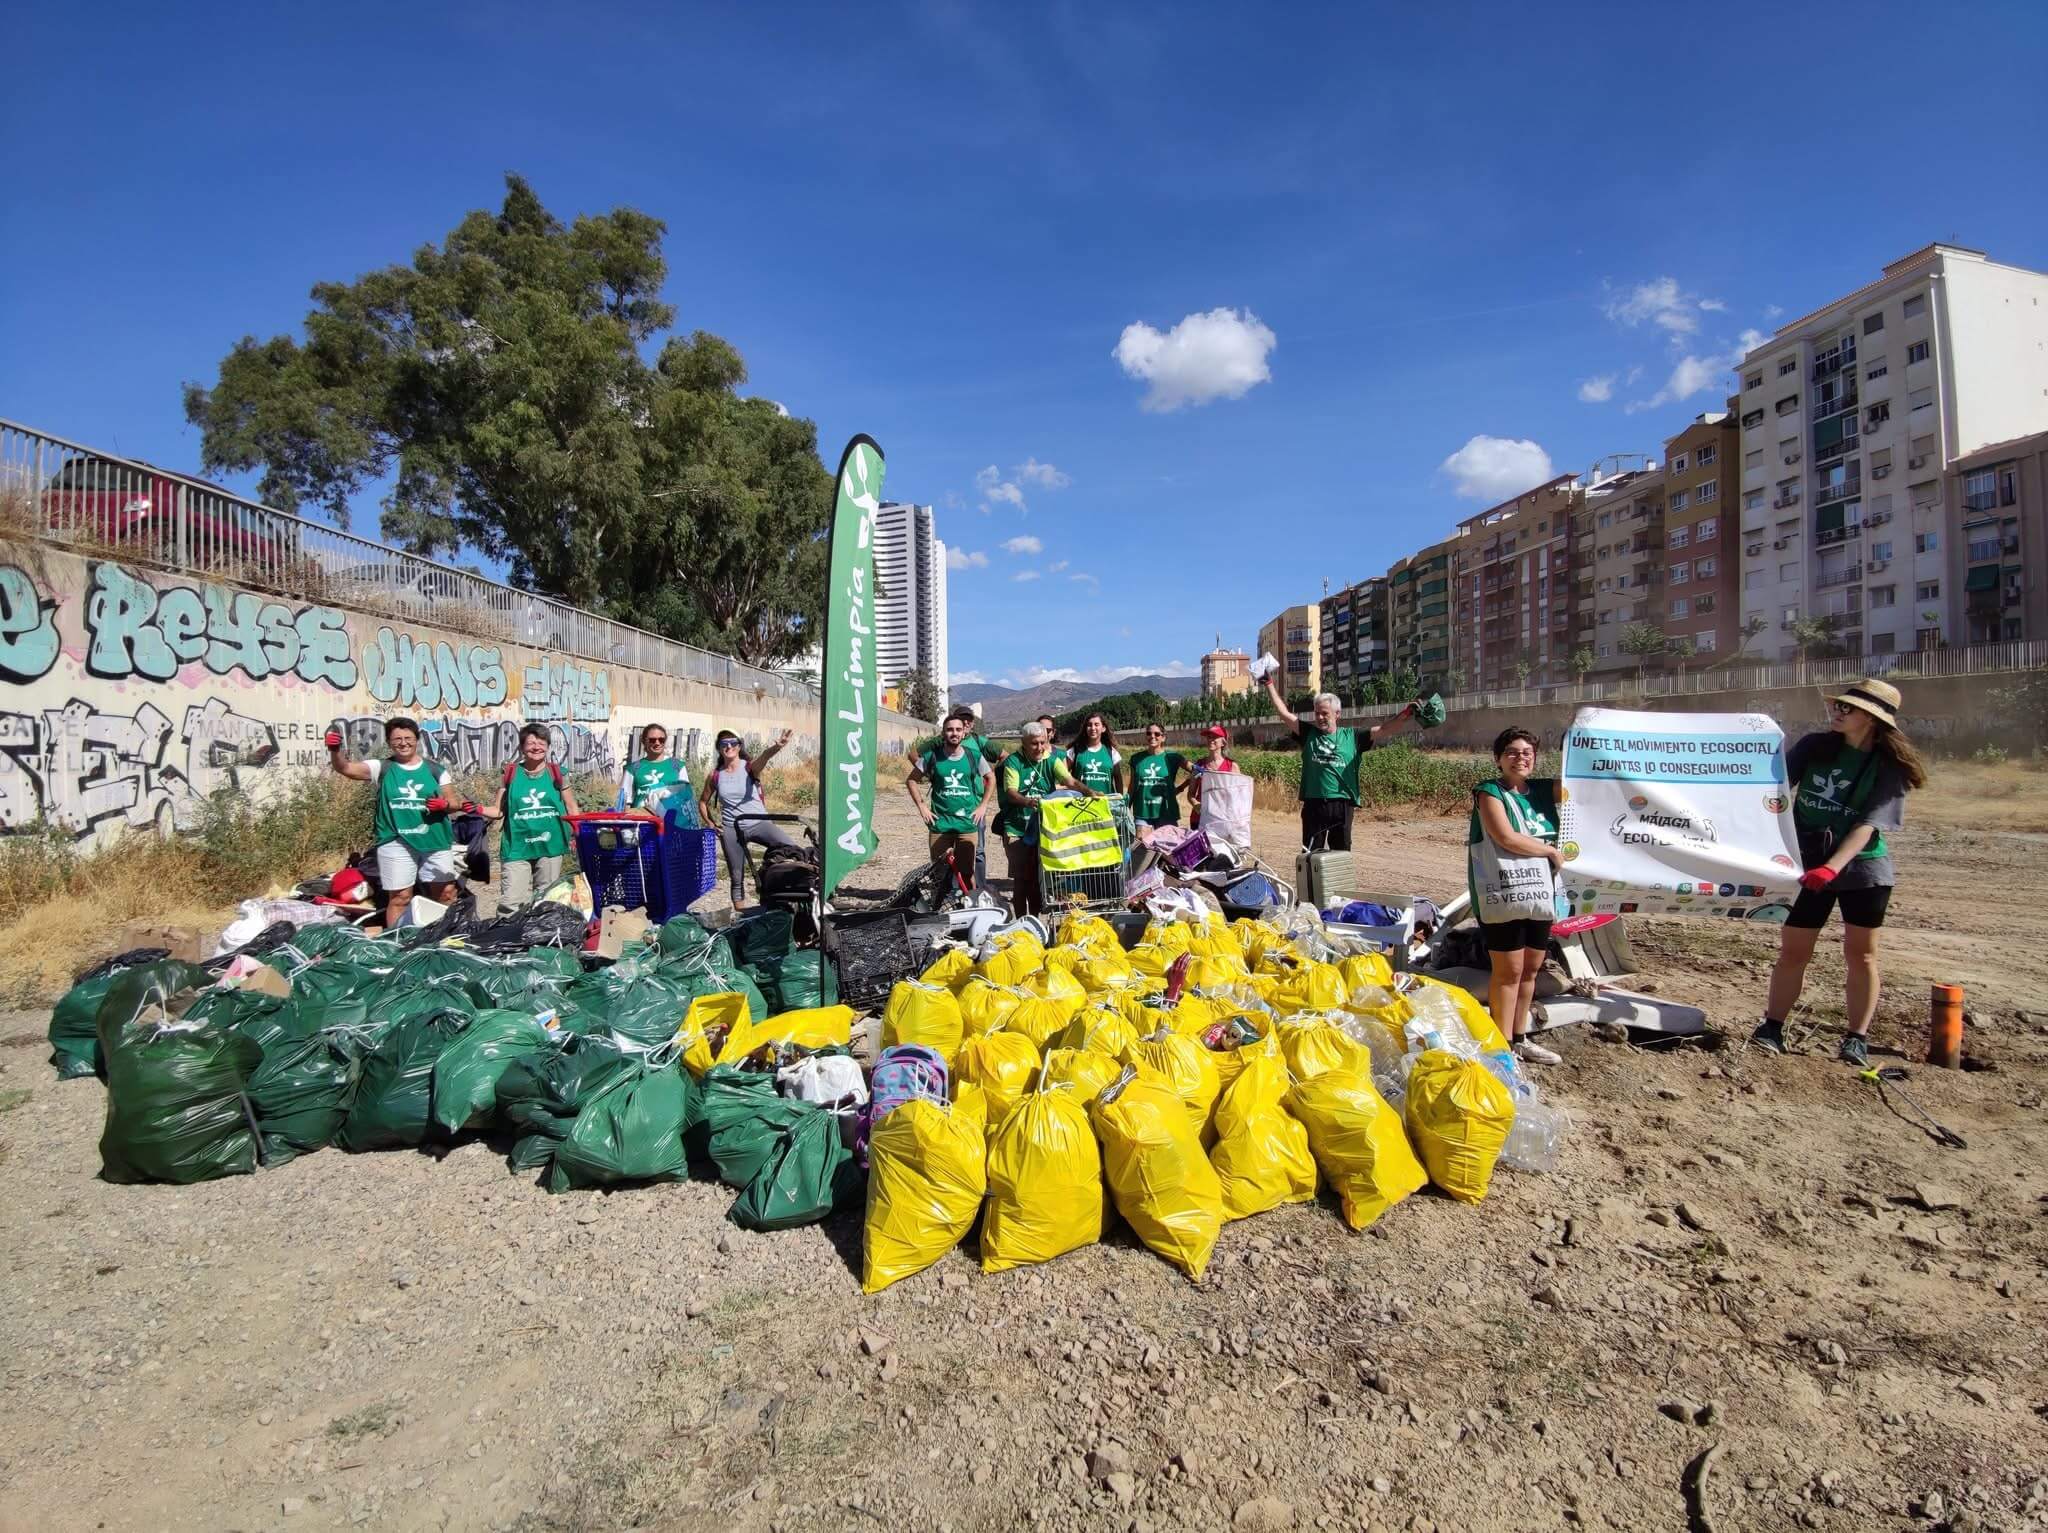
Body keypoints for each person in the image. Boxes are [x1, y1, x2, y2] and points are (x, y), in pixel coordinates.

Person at [1751, 679, 1926, 1067]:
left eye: (1848, 708)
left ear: (1871, 718)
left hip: (1863, 869)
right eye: (1838, 705)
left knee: (1861, 955)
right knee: (1793, 952)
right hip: (1807, 865)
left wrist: (1832, 867)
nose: (1837, 711)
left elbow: (1868, 825)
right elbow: (1771, 789)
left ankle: (1856, 1039)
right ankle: (1771, 1028)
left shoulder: (1889, 766)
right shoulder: (1815, 746)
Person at [1468, 727, 1564, 1067]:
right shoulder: (1488, 792)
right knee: (1508, 971)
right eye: (1511, 752)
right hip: (1503, 892)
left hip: (1540, 892)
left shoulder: (1543, 790)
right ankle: (1502, 1047)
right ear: (1498, 758)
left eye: (1527, 752)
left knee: (1530, 970)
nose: (1520, 758)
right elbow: (1505, 837)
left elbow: (1585, 784)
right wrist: (1549, 850)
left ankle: (1520, 1039)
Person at [326, 717, 465, 930]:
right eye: (397, 739)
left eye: (408, 738)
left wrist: (444, 804)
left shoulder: (436, 770)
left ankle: (445, 936)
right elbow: (344, 768)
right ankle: (397, 941)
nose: (403, 743)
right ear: (389, 742)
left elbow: (455, 803)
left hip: (434, 840)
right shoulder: (382, 767)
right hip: (395, 841)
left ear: (417, 739)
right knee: (400, 897)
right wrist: (335, 750)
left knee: (446, 893)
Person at [1262, 672, 1418, 850]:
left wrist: (1406, 713)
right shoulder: (1308, 733)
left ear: (1337, 714)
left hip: (1342, 804)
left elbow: (1384, 729)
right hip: (1314, 803)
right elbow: (1284, 714)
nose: (1320, 717)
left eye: (1324, 713)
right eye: (1317, 713)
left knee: (1341, 855)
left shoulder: (1353, 736)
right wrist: (1269, 684)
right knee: (1311, 855)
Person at [698, 728, 802, 909]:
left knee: (793, 850)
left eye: (733, 742)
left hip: (759, 822)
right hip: (732, 828)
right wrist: (711, 824)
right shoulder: (715, 775)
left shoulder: (749, 767)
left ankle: (788, 893)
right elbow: (702, 802)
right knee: (736, 875)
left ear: (739, 746)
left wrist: (777, 747)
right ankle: (742, 914)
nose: (728, 746)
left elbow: (764, 757)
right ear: (719, 748)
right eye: (724, 743)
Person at [486, 723, 582, 907]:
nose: (536, 747)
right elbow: (498, 810)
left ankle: (540, 927)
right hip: (517, 846)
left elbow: (571, 807)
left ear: (547, 746)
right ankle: (509, 927)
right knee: (511, 902)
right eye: (530, 743)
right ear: (522, 747)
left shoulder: (557, 773)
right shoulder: (510, 773)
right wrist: (473, 809)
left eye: (541, 743)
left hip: (550, 845)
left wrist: (578, 835)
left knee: (546, 899)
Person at [906, 711, 997, 900]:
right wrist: (922, 806)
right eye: (949, 730)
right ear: (943, 733)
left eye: (957, 730)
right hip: (940, 824)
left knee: (967, 873)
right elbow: (912, 780)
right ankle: (939, 909)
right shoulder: (932, 756)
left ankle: (970, 906)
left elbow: (991, 777)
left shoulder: (973, 756)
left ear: (964, 732)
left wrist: (983, 806)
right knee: (939, 874)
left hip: (967, 824)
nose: (954, 733)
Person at [996, 721, 1074, 917]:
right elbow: (1011, 792)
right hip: (1018, 829)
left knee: (1037, 880)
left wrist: (1088, 792)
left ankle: (1035, 921)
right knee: (1021, 881)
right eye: (1034, 743)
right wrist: (1028, 802)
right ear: (1023, 743)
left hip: (1043, 829)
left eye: (1042, 742)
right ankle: (1022, 922)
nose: (1039, 747)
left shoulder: (1051, 760)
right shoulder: (1013, 762)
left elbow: (1069, 780)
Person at [1125, 722, 1190, 829]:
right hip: (1142, 812)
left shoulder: (1172, 757)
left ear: (1163, 737)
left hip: (1167, 812)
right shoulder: (1136, 759)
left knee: (1166, 840)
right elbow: (1132, 786)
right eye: (1149, 733)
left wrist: (1181, 788)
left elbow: (1195, 771)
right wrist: (1126, 806)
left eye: (1157, 734)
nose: (1152, 736)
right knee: (1142, 840)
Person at [619, 723, 689, 813]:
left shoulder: (678, 766)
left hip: (672, 819)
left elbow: (686, 799)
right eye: (652, 740)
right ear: (644, 741)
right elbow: (625, 803)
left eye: (661, 739)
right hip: (641, 820)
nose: (657, 743)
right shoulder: (632, 769)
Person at [1184, 724, 1238, 828]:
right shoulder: (1199, 765)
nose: (1210, 740)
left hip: (1221, 820)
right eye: (1209, 737)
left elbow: (1237, 796)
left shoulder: (1232, 766)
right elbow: (1191, 794)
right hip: (1199, 819)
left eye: (1214, 737)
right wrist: (1196, 804)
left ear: (1223, 742)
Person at [1065, 712, 1124, 798]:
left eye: (1096, 724)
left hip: (1106, 803)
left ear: (1103, 728)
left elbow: (1118, 779)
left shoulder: (1111, 752)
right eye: (1089, 725)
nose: (1093, 728)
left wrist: (1121, 799)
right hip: (1081, 803)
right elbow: (1063, 776)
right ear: (1085, 728)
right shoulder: (1075, 751)